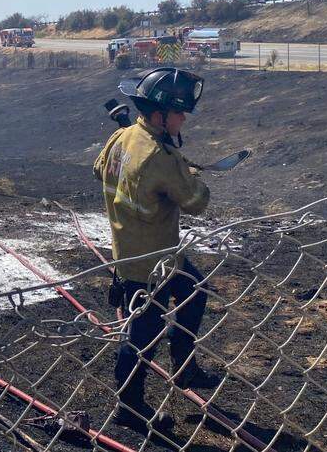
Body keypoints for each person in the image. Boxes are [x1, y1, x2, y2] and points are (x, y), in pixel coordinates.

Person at [92, 67, 221, 436]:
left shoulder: (122, 137)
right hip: (152, 263)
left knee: (194, 293)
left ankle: (184, 368)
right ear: (161, 115)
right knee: (142, 337)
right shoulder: (160, 157)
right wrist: (183, 170)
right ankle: (128, 408)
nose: (185, 119)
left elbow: (99, 170)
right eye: (181, 113)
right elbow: (198, 201)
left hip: (134, 250)